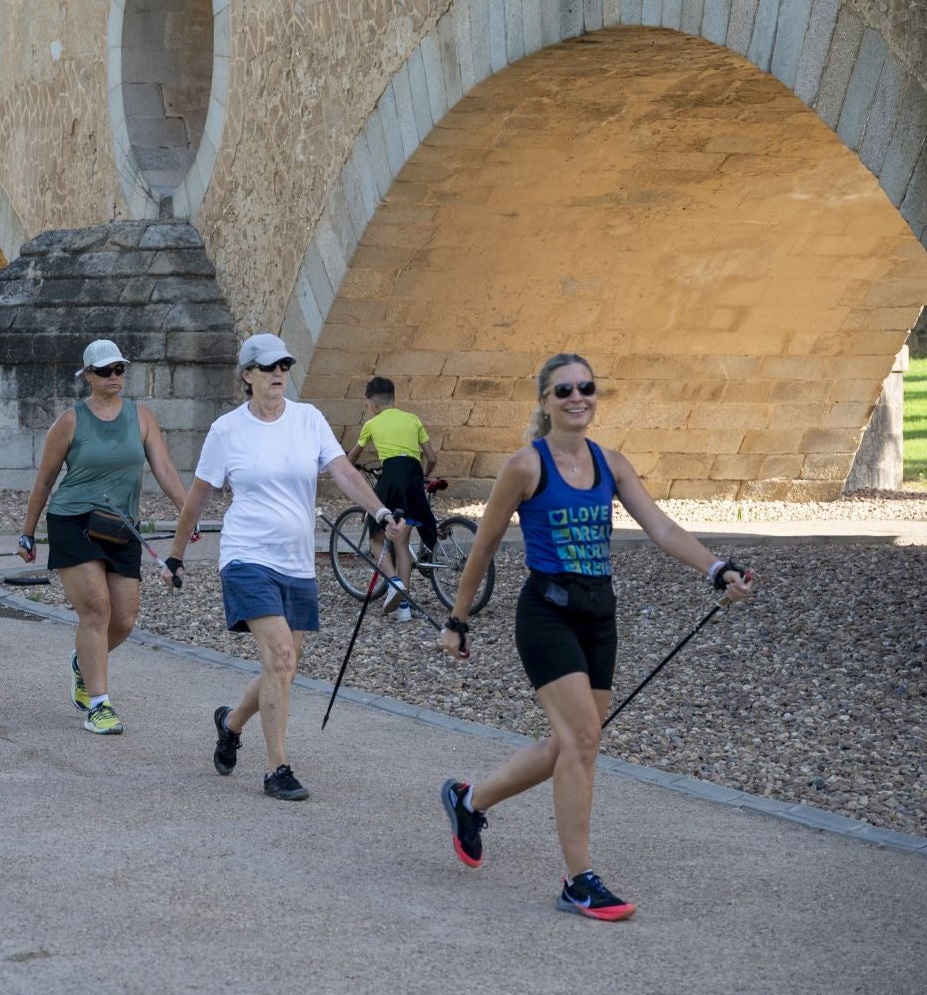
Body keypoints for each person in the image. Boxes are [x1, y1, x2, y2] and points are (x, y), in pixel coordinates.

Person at [436, 353, 753, 921]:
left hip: (598, 617)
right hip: (546, 615)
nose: (577, 397)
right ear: (545, 402)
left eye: (586, 387)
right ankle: (578, 881)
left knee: (571, 745)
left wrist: (716, 568)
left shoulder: (611, 463)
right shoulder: (525, 466)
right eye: (564, 391)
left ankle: (470, 800)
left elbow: (660, 526)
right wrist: (457, 621)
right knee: (580, 740)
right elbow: (482, 546)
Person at [165, 334, 404, 802]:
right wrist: (175, 555)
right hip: (246, 557)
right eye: (269, 366)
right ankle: (277, 768)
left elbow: (345, 473)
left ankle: (231, 723)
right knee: (280, 658)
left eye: (285, 365)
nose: (279, 374)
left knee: (284, 668)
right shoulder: (226, 430)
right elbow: (198, 497)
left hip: (296, 563)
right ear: (248, 375)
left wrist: (379, 511)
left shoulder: (308, 419)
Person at [16, 339, 189, 735]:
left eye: (119, 370)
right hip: (73, 521)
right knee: (96, 609)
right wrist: (27, 533)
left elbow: (163, 468)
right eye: (106, 371)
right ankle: (99, 705)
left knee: (125, 618)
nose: (115, 377)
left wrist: (187, 512)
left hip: (120, 525)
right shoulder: (70, 421)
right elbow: (44, 480)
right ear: (88, 376)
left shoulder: (141, 416)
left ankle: (83, 663)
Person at [346, 375, 439, 622]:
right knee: (401, 543)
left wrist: (347, 468)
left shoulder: (372, 424)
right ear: (393, 398)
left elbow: (352, 458)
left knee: (376, 537)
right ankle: (404, 609)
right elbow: (431, 457)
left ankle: (394, 582)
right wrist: (422, 478)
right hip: (413, 478)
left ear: (373, 405)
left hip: (392, 478)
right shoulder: (412, 419)